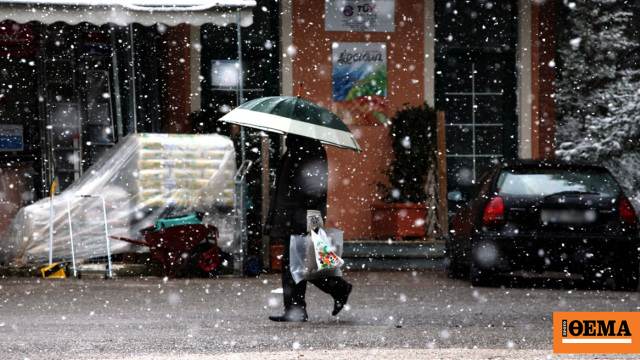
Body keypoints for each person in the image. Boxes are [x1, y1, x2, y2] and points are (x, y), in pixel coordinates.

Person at [264, 134, 353, 322]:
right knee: (294, 264)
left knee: (302, 263)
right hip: (292, 214)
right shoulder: (296, 148)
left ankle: (337, 289)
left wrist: (309, 212)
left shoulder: (310, 149)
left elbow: (315, 185)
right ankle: (296, 309)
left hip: (302, 215)